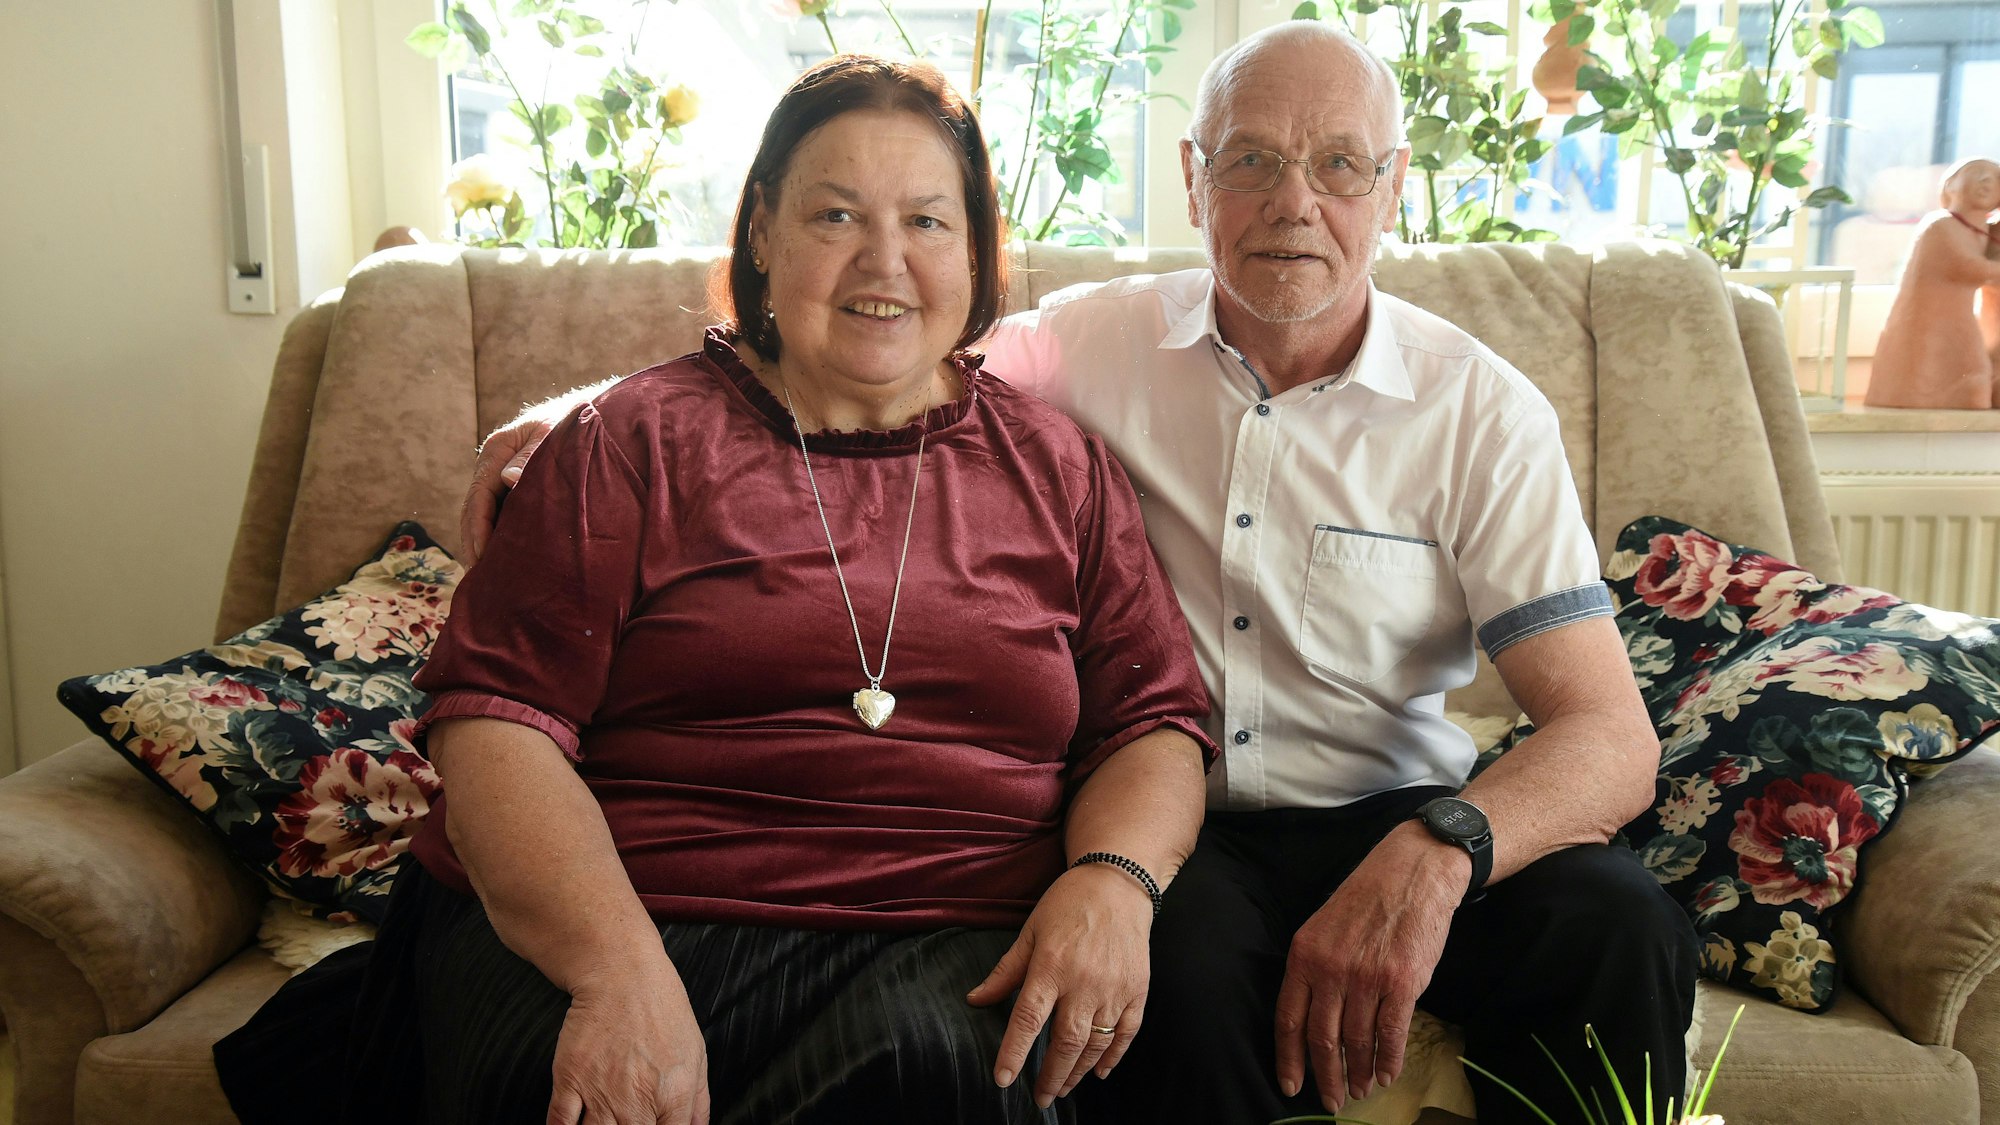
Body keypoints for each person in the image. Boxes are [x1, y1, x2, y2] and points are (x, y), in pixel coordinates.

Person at [468, 23, 1698, 1125]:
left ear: (1393, 186)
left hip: (1393, 812)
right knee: (1176, 970)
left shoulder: (1478, 411)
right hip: (1178, 834)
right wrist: (580, 416)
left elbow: (1606, 735)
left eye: (1338, 166)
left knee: (1617, 925)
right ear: (1193, 178)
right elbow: (871, 348)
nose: (1292, 204)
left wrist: (1436, 854)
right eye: (1251, 160)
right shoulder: (1088, 343)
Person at [218, 55, 1213, 1125]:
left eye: (928, 221)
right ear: (762, 231)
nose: (884, 261)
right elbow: (496, 726)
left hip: (945, 926)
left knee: (951, 1078)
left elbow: (1150, 721)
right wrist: (613, 972)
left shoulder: (1059, 469)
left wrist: (1114, 878)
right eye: (835, 215)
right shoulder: (629, 444)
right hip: (622, 907)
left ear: (975, 250)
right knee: (569, 1089)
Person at [1864, 156, 2000, 410]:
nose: (1986, 180)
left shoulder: (1979, 232)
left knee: (1973, 376)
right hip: (1930, 317)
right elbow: (1969, 268)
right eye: (1977, 172)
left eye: (1995, 178)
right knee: (1938, 367)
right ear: (1950, 185)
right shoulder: (1940, 225)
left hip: (1958, 317)